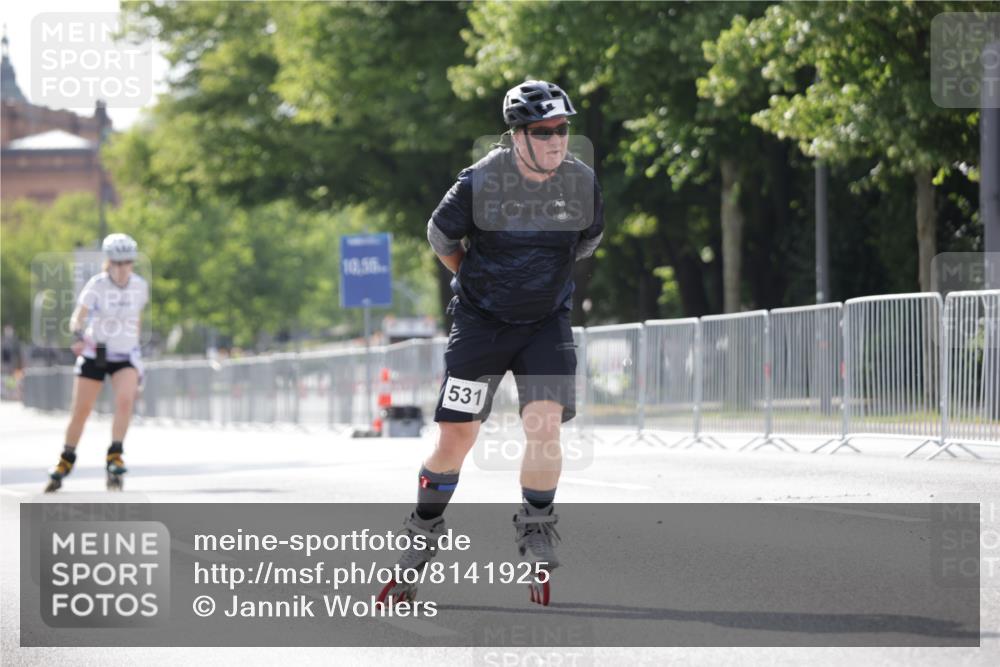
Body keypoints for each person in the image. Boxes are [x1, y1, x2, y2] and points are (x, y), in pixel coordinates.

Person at [378, 80, 604, 606]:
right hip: (480, 327)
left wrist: (540, 283)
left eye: (563, 129)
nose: (556, 140)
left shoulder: (581, 182)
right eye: (544, 131)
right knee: (456, 439)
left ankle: (536, 525)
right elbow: (440, 236)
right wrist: (478, 282)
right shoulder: (481, 182)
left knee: (544, 427)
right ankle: (421, 531)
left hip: (546, 324)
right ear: (517, 135)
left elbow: (587, 241)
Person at [45, 234, 149, 492]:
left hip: (124, 355)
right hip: (97, 351)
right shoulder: (97, 285)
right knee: (82, 410)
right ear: (109, 261)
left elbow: (136, 320)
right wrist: (79, 335)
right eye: (117, 262)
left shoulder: (139, 286)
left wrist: (134, 346)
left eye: (128, 262)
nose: (123, 267)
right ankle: (66, 458)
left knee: (125, 401)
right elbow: (77, 318)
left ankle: (115, 453)